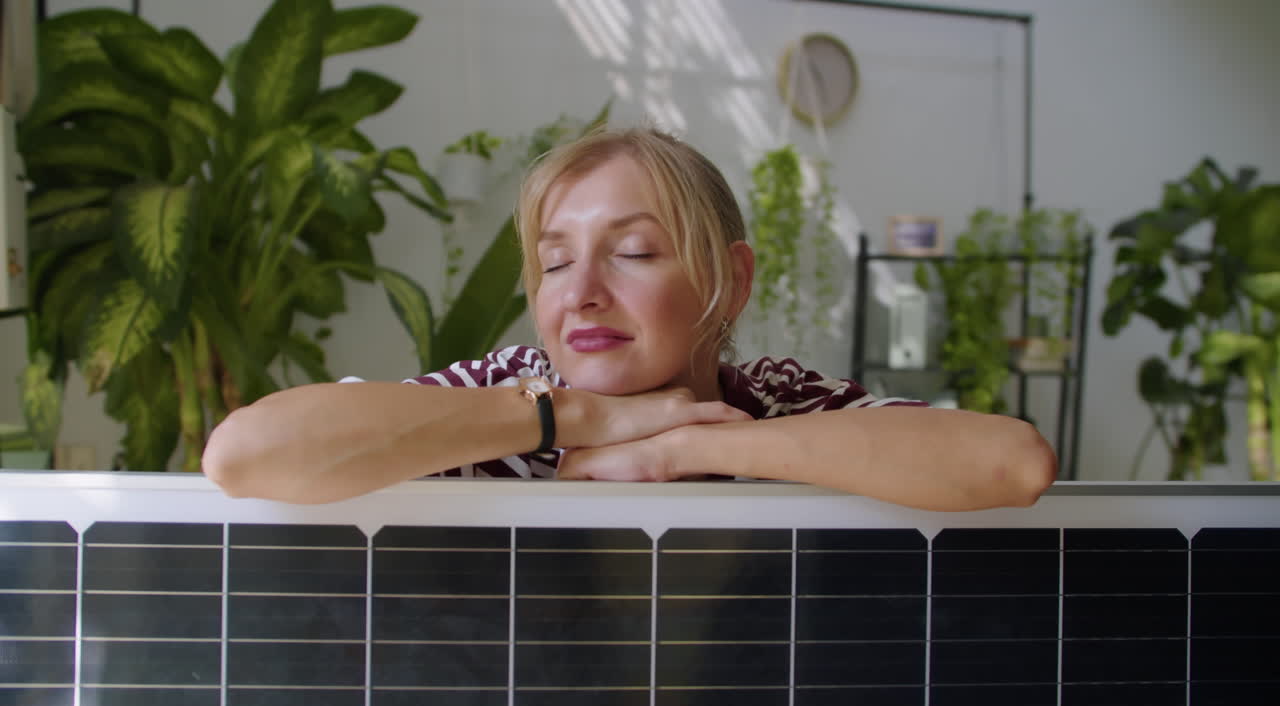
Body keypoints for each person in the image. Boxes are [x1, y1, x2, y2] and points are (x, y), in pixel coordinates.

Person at [202, 127, 1056, 511]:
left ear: (731, 279)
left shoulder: (776, 400)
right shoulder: (499, 399)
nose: (580, 294)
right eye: (555, 261)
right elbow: (243, 456)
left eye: (635, 252)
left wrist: (681, 445)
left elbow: (1011, 465)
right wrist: (571, 415)